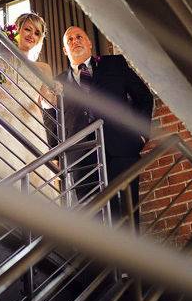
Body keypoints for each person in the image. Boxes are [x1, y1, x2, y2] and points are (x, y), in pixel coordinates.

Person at [57, 26, 153, 229]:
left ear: (90, 43)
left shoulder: (114, 64)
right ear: (65, 50)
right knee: (95, 225)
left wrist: (141, 135)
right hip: (82, 161)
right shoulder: (57, 84)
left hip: (121, 151)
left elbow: (144, 97)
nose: (75, 41)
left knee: (127, 218)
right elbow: (52, 121)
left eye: (79, 37)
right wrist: (60, 155)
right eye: (70, 40)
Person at [0, 13, 59, 200]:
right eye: (27, 29)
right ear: (17, 29)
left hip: (31, 124)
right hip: (3, 123)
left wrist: (54, 91)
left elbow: (47, 102)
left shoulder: (43, 68)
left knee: (36, 182)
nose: (31, 35)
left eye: (37, 33)